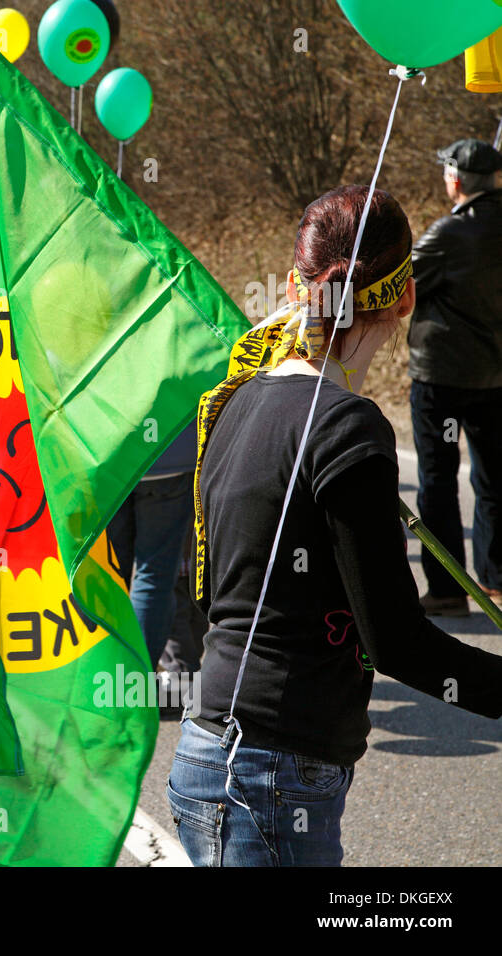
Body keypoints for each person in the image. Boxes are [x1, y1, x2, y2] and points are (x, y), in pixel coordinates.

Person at [170, 184, 502, 867]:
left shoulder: (235, 399)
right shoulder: (347, 426)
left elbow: (201, 585)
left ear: (295, 285)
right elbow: (398, 643)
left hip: (208, 756)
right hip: (271, 774)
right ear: (406, 298)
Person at [407, 138, 502, 617]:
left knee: (437, 479)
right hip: (496, 378)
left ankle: (446, 589)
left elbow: (403, 285)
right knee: (494, 478)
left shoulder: (448, 233)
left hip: (440, 376)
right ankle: (497, 580)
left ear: (457, 180)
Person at [107, 422, 198, 674]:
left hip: (109, 453)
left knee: (111, 577)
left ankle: (107, 682)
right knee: (154, 577)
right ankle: (133, 684)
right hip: (172, 453)